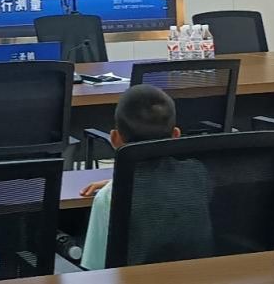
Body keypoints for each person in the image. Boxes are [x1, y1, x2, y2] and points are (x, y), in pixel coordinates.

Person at [80, 84, 211, 270]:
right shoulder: (198, 175)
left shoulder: (110, 197)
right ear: (176, 135)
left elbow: (94, 268)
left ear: (114, 139)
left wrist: (117, 182)